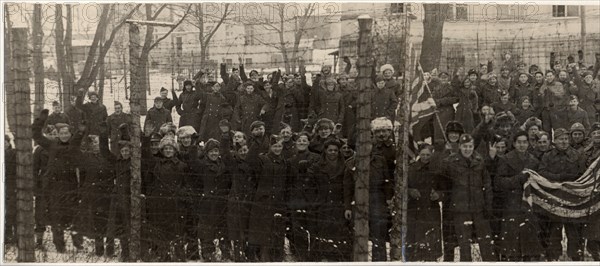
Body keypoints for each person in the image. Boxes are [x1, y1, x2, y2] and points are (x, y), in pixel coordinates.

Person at [31, 109, 87, 253]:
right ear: (58, 134)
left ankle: (78, 242)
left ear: (70, 134)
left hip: (71, 187)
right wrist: (41, 120)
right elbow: (36, 135)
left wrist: (82, 128)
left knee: (74, 215)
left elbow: (80, 134)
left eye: (66, 133)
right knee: (56, 217)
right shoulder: (51, 145)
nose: (64, 135)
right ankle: (59, 245)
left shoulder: (73, 145)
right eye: (61, 133)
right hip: (54, 187)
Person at [440, 134, 496, 261]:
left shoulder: (479, 161)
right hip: (460, 210)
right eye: (465, 146)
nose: (467, 149)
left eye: (470, 146)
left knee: (486, 244)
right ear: (459, 146)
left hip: (479, 209)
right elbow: (443, 179)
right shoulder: (450, 161)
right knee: (464, 245)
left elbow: (487, 185)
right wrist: (445, 154)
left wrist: (488, 205)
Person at [537, 128, 586, 261]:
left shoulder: (577, 155)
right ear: (554, 141)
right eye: (560, 139)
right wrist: (559, 177)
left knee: (574, 232)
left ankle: (576, 258)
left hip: (572, 200)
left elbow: (582, 174)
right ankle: (553, 259)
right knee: (554, 232)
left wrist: (570, 181)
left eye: (565, 139)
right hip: (554, 199)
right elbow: (542, 172)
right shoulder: (547, 156)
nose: (564, 142)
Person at [495, 131, 544, 261]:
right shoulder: (506, 159)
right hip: (511, 205)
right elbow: (499, 182)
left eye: (524, 142)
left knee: (529, 240)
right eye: (519, 142)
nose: (522, 145)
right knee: (512, 243)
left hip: (528, 204)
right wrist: (518, 179)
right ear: (514, 144)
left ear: (528, 143)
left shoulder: (534, 161)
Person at [247, 135, 291, 262]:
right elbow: (250, 160)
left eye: (279, 146)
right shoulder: (262, 159)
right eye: (274, 146)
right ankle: (261, 258)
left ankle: (277, 259)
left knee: (277, 232)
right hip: (263, 201)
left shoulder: (284, 162)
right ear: (270, 147)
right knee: (262, 232)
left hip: (278, 201)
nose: (277, 149)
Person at [143, 136, 188, 262]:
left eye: (171, 148)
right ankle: (161, 255)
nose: (168, 151)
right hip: (159, 203)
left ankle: (178, 256)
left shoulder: (182, 166)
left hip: (175, 204)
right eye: (166, 148)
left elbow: (186, 184)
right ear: (162, 150)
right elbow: (149, 181)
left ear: (175, 150)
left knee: (176, 231)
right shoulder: (156, 164)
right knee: (159, 230)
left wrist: (180, 194)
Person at [308, 139, 351, 261]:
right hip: (322, 205)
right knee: (321, 234)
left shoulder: (345, 166)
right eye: (330, 150)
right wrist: (315, 200)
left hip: (338, 205)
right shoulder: (317, 166)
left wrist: (346, 205)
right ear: (325, 151)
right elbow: (309, 186)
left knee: (338, 234)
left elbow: (348, 187)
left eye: (335, 150)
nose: (333, 152)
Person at [220, 125, 255, 262]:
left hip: (250, 200)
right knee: (236, 228)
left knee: (249, 227)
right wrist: (224, 136)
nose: (243, 152)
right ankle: (238, 254)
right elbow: (225, 153)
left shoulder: (253, 163)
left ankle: (249, 254)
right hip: (236, 200)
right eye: (241, 150)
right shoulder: (233, 163)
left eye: (246, 150)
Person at [195, 139, 231, 262]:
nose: (214, 154)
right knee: (207, 228)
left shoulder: (223, 164)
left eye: (216, 151)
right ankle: (207, 252)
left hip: (221, 201)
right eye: (211, 151)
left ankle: (225, 251)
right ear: (206, 152)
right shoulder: (201, 165)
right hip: (207, 202)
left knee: (223, 226)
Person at [287, 132, 320, 261]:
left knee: (313, 228)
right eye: (299, 141)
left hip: (311, 198)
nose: (301, 142)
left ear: (308, 143)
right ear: (295, 143)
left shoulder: (316, 158)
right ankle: (301, 258)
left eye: (304, 140)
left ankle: (314, 257)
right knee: (298, 229)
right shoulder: (290, 160)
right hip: (296, 198)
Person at [406, 144, 442, 261]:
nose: (425, 157)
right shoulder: (411, 169)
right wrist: (410, 191)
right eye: (423, 154)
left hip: (431, 210)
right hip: (415, 209)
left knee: (431, 243)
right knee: (414, 243)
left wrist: (439, 195)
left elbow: (446, 188)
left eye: (428, 155)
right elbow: (402, 187)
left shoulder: (437, 169)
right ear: (418, 155)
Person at [4, 134, 17, 244]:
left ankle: (11, 235)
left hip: (11, 187)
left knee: (11, 212)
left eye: (4, 142)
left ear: (8, 143)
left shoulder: (13, 153)